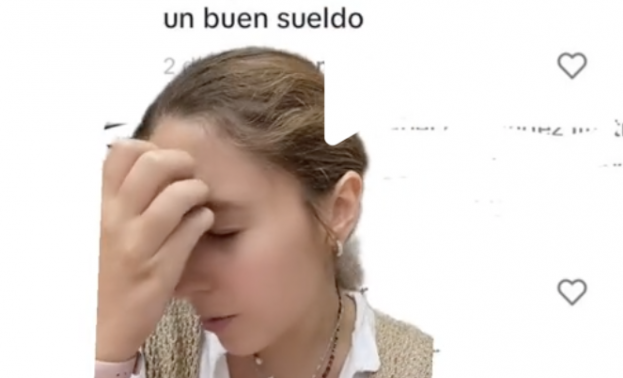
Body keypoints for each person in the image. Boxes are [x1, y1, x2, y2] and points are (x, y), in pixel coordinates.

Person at [95, 47, 434, 378]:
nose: (183, 284)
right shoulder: (139, 342)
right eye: (172, 233)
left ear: (339, 209)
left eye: (223, 232)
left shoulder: (419, 364)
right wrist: (107, 350)